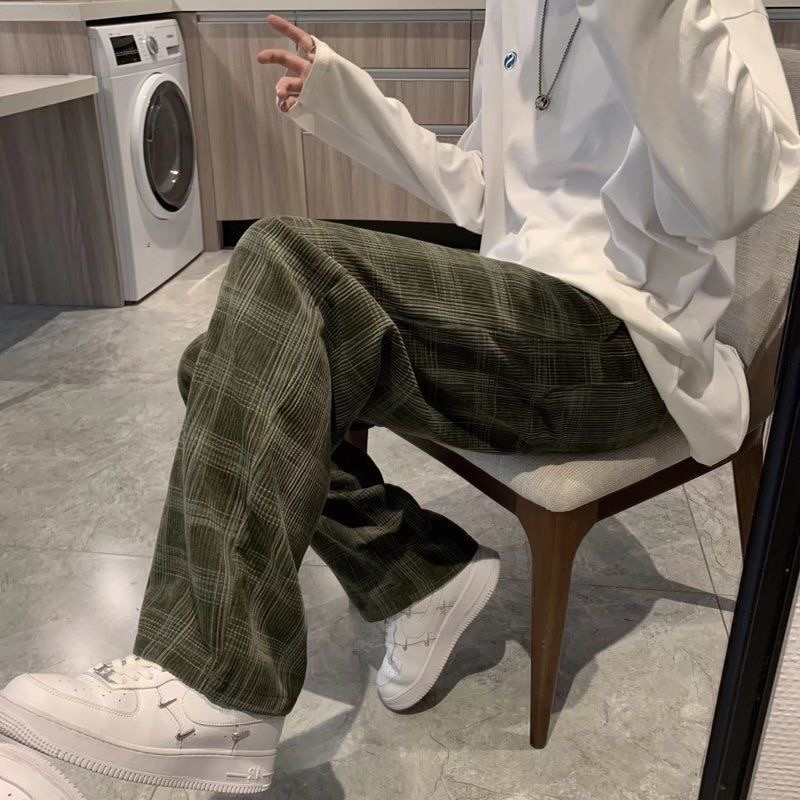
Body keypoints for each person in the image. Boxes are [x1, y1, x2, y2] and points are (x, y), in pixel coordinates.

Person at [1, 1, 799, 794]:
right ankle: (416, 574)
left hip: (626, 346)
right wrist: (350, 103)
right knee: (218, 364)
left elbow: (739, 189)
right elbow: (484, 190)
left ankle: (213, 684)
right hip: (523, 315)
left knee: (287, 259)